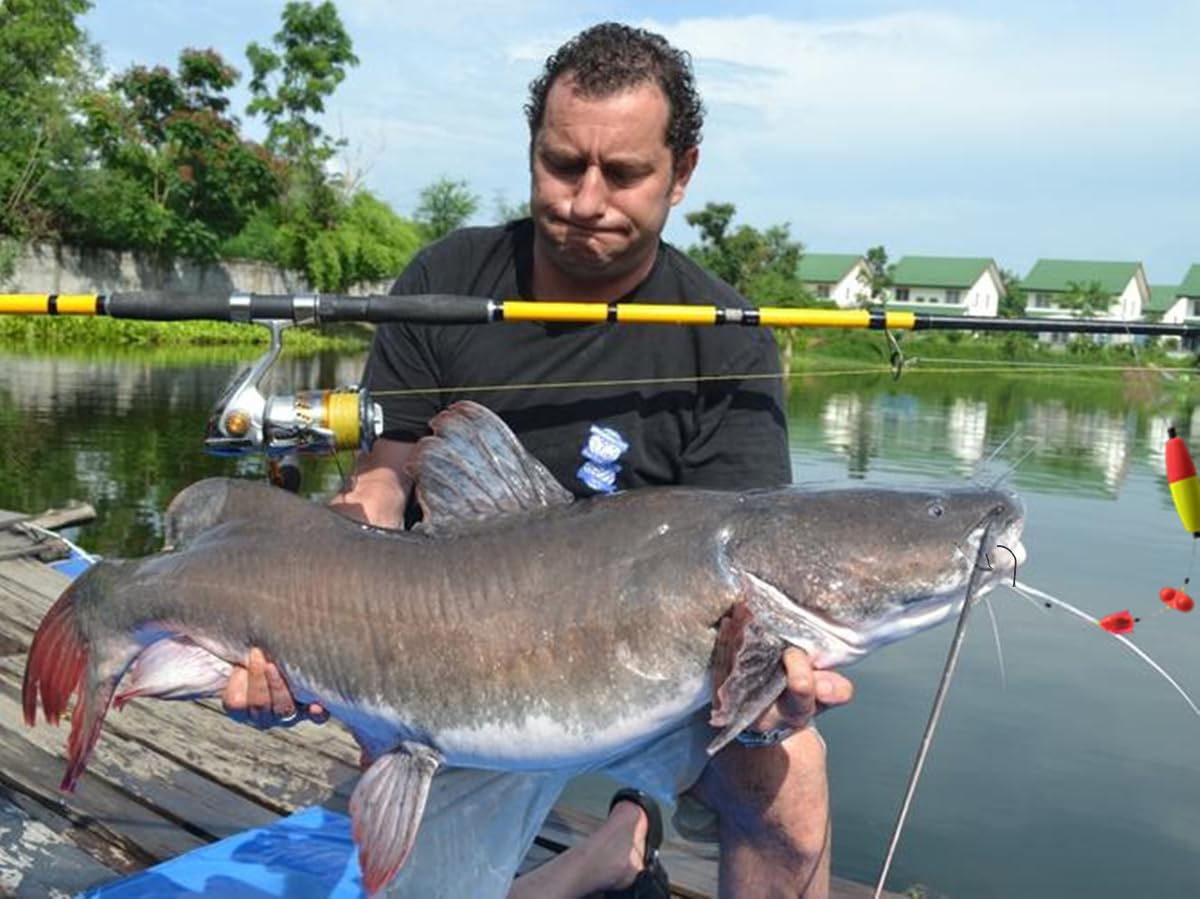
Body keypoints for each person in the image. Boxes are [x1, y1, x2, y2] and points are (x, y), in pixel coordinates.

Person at [224, 21, 854, 898]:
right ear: (533, 151)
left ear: (684, 171)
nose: (586, 199)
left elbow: (746, 561)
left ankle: (623, 824)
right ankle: (602, 853)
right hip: (460, 675)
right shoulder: (447, 277)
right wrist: (327, 568)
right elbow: (386, 471)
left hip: (663, 682)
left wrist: (769, 696)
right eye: (563, 164)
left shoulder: (728, 337)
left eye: (625, 173)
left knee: (792, 787)